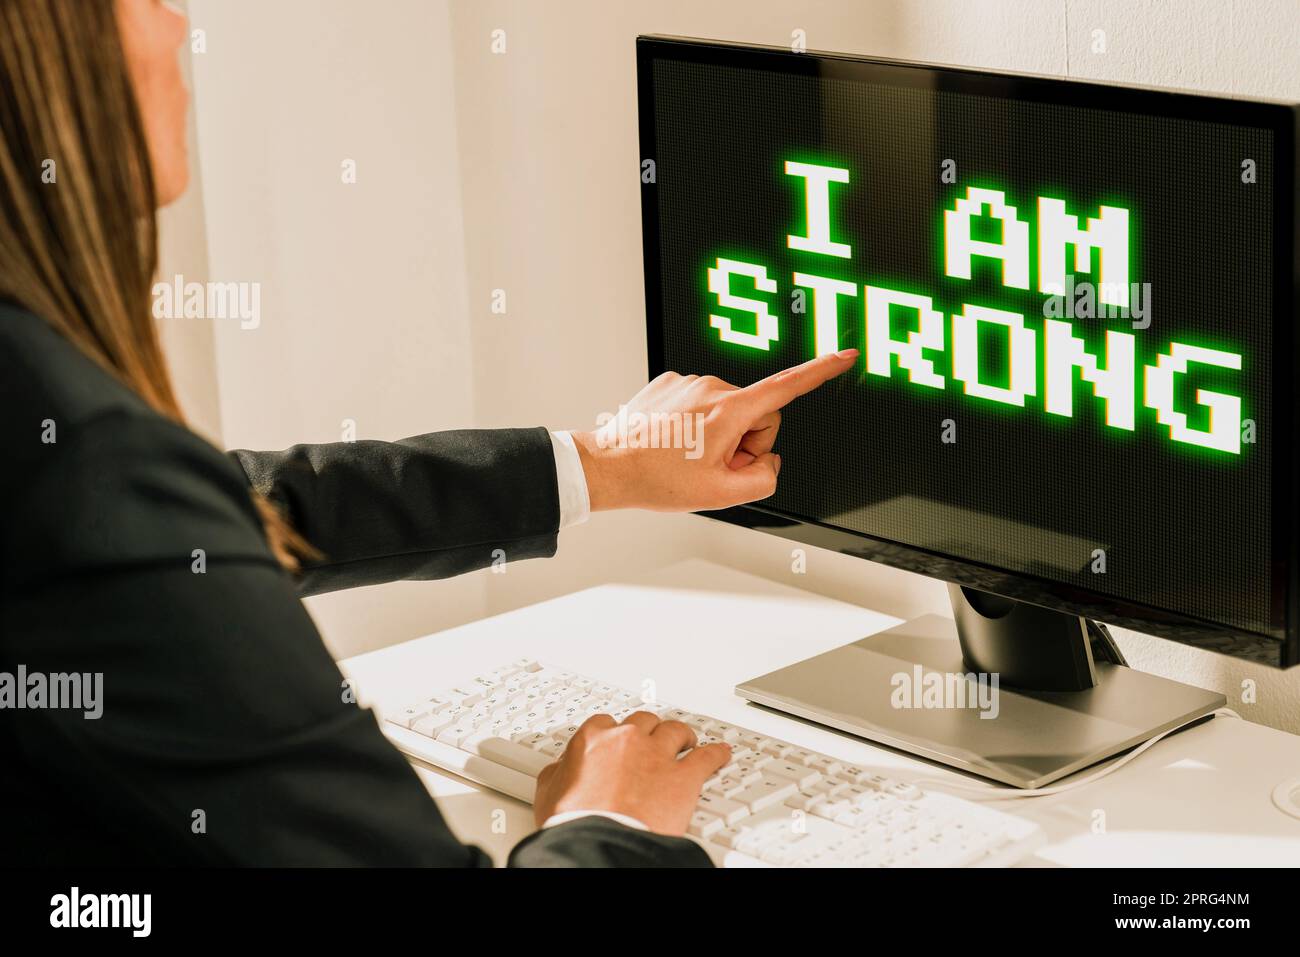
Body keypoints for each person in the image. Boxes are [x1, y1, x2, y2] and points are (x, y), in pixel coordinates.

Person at [0, 0, 856, 866]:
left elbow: (250, 502)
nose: (179, 23)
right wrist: (608, 821)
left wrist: (600, 463)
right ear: (43, 53)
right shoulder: (85, 475)